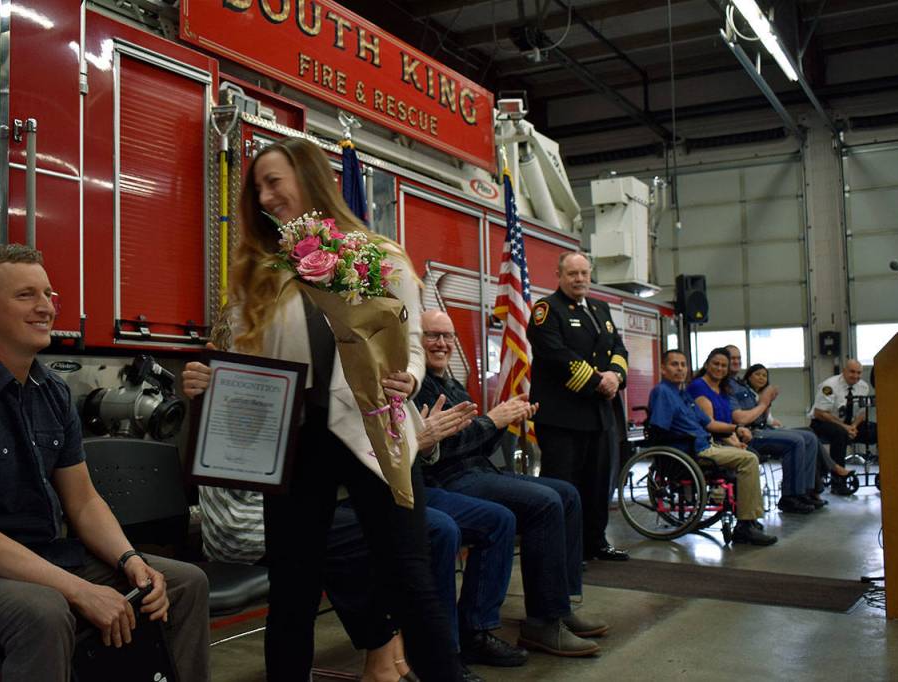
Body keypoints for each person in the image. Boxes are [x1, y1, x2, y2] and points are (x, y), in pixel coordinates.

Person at [180, 137, 462, 681]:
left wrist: (410, 376)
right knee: (293, 590)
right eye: (256, 187)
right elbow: (241, 356)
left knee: (410, 579)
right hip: (293, 443)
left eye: (274, 181)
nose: (264, 196)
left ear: (310, 180)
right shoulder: (258, 274)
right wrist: (207, 380)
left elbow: (406, 343)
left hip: (374, 432)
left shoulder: (380, 254)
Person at [0, 244, 210, 682]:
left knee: (182, 583)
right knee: (44, 613)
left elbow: (83, 502)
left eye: (49, 294)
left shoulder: (52, 391)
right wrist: (79, 590)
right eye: (26, 295)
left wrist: (130, 560)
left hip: (41, 556)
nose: (46, 307)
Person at [193, 372, 508, 682]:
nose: (442, 345)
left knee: (427, 531)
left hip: (326, 499)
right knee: (403, 538)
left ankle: (412, 654)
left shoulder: (384, 375)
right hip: (248, 520)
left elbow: (396, 457)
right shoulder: (277, 383)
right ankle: (392, 655)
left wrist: (419, 442)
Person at [416, 309, 609, 658]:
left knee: (566, 494)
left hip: (478, 472)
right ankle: (541, 622)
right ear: (416, 341)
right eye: (432, 335)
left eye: (447, 336)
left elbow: (479, 442)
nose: (441, 343)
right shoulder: (418, 384)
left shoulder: (453, 383)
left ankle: (558, 606)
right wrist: (492, 419)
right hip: (446, 480)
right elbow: (439, 449)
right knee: (545, 501)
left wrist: (504, 420)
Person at [526, 251, 630, 562]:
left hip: (599, 416)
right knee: (564, 487)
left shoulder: (600, 307)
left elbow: (618, 347)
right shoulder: (547, 309)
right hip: (562, 418)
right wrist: (599, 382)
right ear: (559, 275)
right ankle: (565, 552)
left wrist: (616, 375)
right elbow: (555, 354)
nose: (580, 279)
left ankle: (595, 543)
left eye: (584, 273)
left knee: (598, 485)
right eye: (572, 274)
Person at [649, 350, 777, 546]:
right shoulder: (662, 392)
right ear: (663, 369)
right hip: (690, 450)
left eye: (683, 365)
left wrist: (736, 428)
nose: (680, 369)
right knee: (749, 459)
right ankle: (745, 526)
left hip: (703, 443)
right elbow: (660, 430)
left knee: (747, 454)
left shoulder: (682, 394)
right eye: (675, 365)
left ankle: (748, 519)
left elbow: (709, 423)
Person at [721, 347, 823, 513]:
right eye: (732, 358)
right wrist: (763, 402)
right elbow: (741, 419)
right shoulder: (727, 387)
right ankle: (790, 497)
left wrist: (767, 403)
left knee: (809, 437)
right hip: (746, 433)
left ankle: (805, 491)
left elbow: (760, 414)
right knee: (796, 441)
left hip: (761, 427)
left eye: (738, 358)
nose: (736, 361)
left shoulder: (741, 385)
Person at [809, 359, 877, 495]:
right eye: (852, 372)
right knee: (840, 434)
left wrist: (853, 426)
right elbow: (820, 412)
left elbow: (862, 413)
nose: (856, 376)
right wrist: (846, 428)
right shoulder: (829, 386)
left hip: (850, 424)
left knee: (878, 430)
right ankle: (838, 482)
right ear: (844, 371)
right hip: (823, 422)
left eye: (859, 373)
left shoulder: (863, 386)